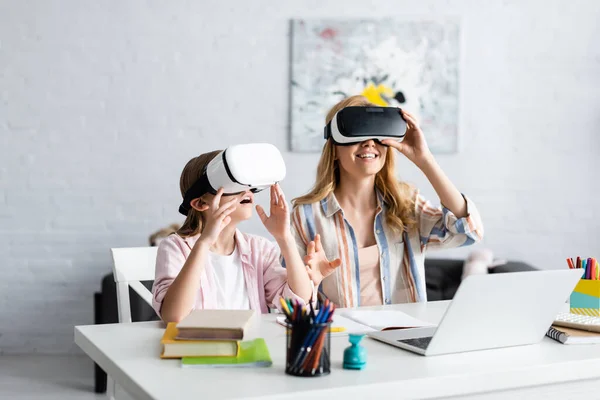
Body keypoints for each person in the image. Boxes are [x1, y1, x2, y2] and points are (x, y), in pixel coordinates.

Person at [291, 95, 484, 308]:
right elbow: (291, 300)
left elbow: (468, 232)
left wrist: (425, 159)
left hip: (403, 335)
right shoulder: (306, 216)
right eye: (357, 134)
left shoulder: (407, 206)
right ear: (334, 149)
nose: (369, 143)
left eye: (377, 136)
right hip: (342, 337)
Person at [152, 150, 314, 323]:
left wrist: (285, 238)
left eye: (248, 184)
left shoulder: (259, 248)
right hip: (201, 347)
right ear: (200, 203)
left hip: (251, 346)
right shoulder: (175, 247)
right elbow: (174, 316)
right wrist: (204, 242)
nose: (247, 190)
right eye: (233, 184)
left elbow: (299, 303)